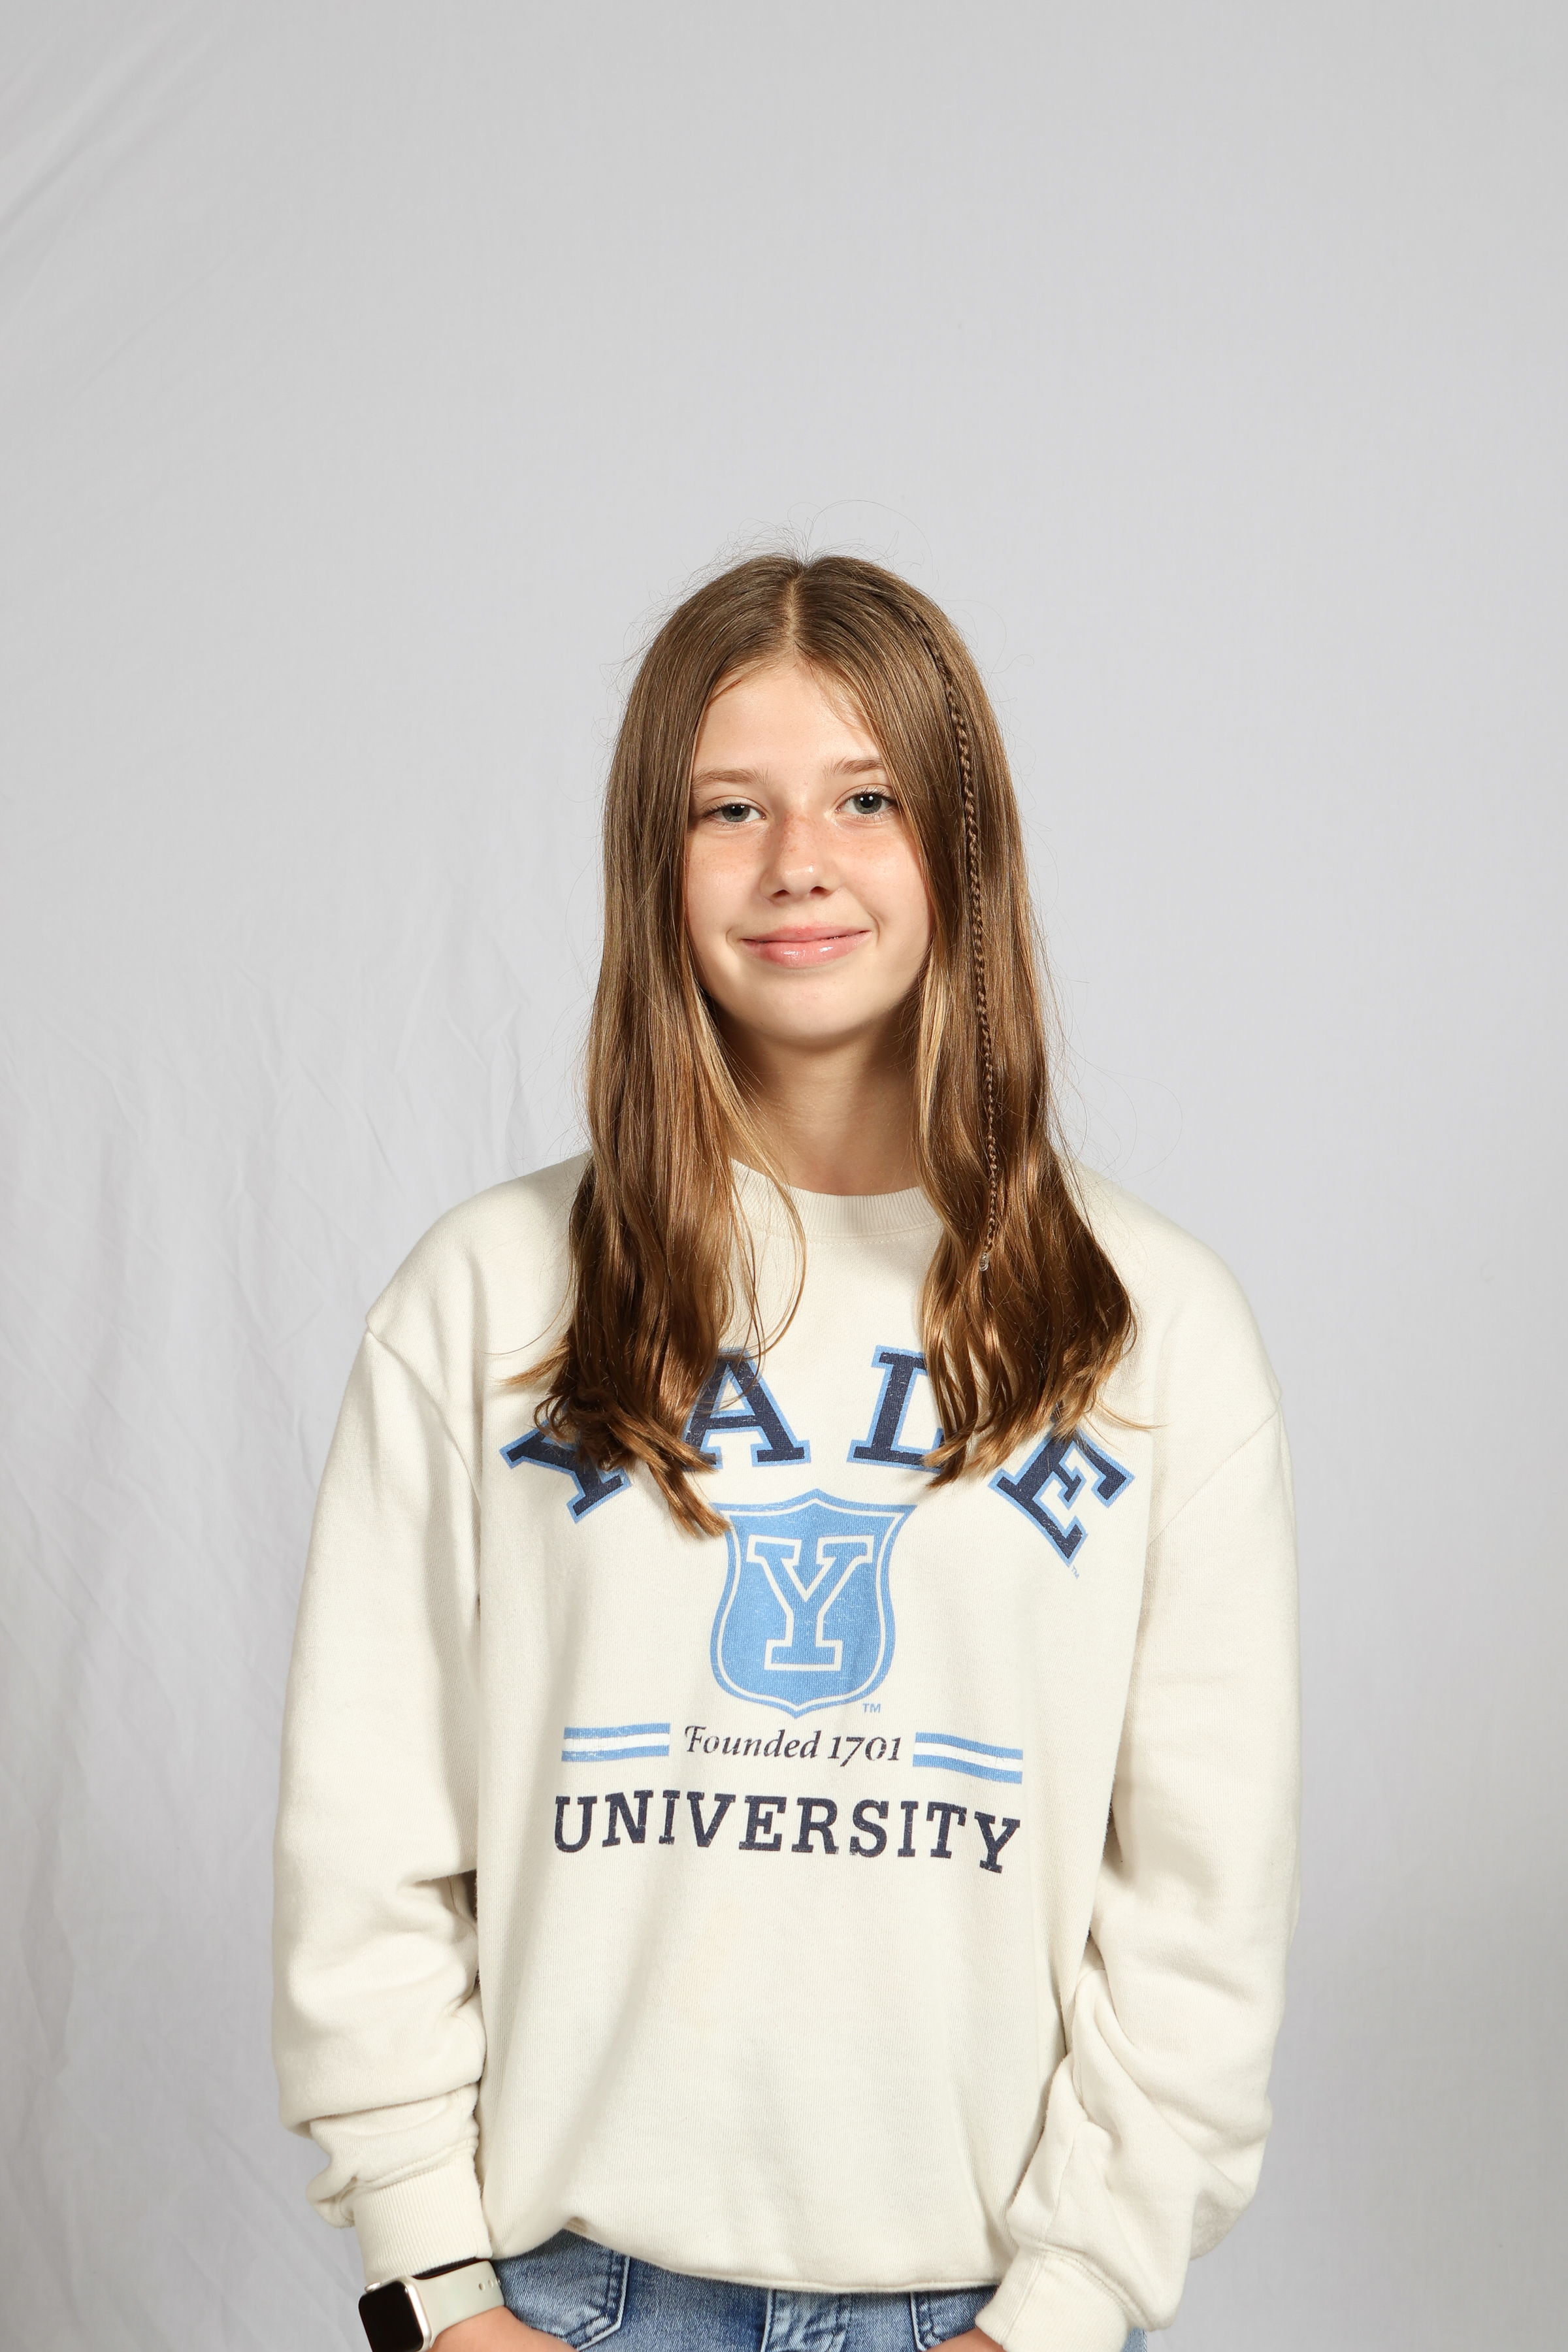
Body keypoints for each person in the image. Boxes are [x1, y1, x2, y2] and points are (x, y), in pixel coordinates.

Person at [271, 553, 1300, 2352]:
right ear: (652, 863)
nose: (798, 862)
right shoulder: (489, 1294)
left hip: (994, 2309)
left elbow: (1198, 1913)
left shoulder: (1149, 1325)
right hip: (571, 2300)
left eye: (866, 799)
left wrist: (1063, 2311)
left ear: (960, 848)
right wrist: (433, 2284)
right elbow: (369, 1831)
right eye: (728, 808)